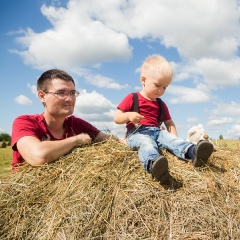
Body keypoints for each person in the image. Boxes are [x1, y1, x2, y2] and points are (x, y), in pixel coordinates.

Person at [114, 55, 214, 186]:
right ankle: (154, 164)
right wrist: (129, 116)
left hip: (157, 131)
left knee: (172, 140)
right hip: (137, 133)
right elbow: (117, 118)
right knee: (146, 143)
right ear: (143, 80)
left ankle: (193, 152)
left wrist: (173, 138)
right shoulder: (132, 98)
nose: (161, 90)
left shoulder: (161, 104)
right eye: (158, 85)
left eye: (165, 87)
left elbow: (169, 123)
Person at [11, 69, 111, 171]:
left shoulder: (77, 124)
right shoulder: (25, 122)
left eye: (72, 93)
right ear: (42, 96)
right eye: (61, 93)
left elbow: (112, 142)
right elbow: (38, 157)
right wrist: (77, 140)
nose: (70, 99)